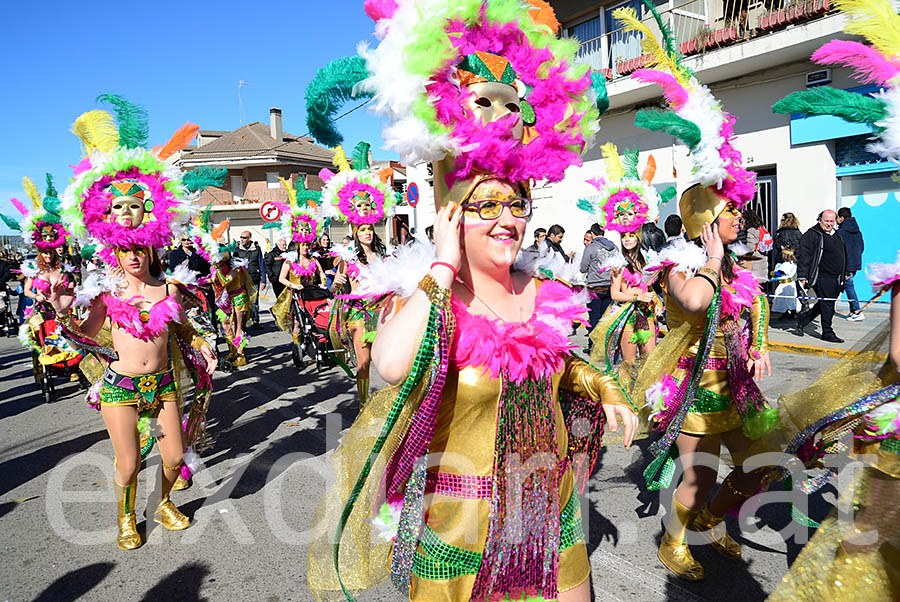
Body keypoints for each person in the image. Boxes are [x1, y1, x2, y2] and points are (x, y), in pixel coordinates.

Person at [305, 3, 615, 600]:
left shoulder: (545, 292)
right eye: (487, 205)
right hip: (460, 530)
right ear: (453, 211)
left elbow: (552, 370)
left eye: (516, 203)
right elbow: (392, 368)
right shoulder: (431, 297)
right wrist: (442, 266)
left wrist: (602, 386)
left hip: (550, 516)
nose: (508, 220)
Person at [619, 13, 776, 581]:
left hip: (737, 381)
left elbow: (750, 306)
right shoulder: (683, 263)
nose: (740, 214)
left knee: (761, 466)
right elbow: (690, 306)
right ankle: (676, 540)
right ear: (706, 218)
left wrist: (758, 344)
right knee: (697, 473)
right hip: (695, 385)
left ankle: (711, 521)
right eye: (730, 209)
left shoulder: (737, 266)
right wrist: (709, 258)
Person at [53, 97, 217, 550]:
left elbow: (183, 330)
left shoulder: (169, 290)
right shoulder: (107, 294)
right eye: (126, 250)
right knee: (127, 464)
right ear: (116, 250)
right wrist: (65, 310)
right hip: (121, 387)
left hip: (162, 385)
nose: (133, 256)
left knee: (173, 458)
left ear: (150, 248)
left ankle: (163, 502)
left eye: (140, 249)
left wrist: (202, 342)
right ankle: (127, 517)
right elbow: (82, 337)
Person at [320, 142, 395, 408]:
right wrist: (337, 283)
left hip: (384, 310)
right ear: (354, 231)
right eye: (361, 229)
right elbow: (338, 289)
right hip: (360, 313)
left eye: (369, 229)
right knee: (364, 362)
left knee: (389, 361)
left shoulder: (385, 256)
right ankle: (364, 405)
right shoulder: (348, 258)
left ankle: (390, 403)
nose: (366, 232)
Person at [796, 209, 848, 343]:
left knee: (826, 303)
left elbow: (843, 254)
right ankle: (827, 332)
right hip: (821, 276)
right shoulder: (812, 235)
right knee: (828, 304)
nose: (829, 224)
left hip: (837, 277)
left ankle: (803, 319)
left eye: (832, 221)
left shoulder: (837, 235)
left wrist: (845, 272)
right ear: (819, 220)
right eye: (826, 221)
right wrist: (802, 276)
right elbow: (804, 256)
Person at [580, 226, 617, 341]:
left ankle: (594, 347)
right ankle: (605, 347)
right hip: (610, 285)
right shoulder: (614, 247)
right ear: (604, 232)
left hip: (595, 286)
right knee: (606, 319)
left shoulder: (591, 247)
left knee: (594, 318)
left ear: (592, 233)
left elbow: (583, 268)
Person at [837, 206, 865, 321]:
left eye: (837, 218)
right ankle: (853, 311)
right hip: (855, 264)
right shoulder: (857, 231)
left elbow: (840, 251)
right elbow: (862, 247)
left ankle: (856, 311)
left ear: (841, 218)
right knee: (848, 286)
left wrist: (846, 268)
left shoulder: (841, 232)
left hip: (846, 265)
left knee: (849, 286)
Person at [235, 230, 266, 329]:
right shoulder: (237, 250)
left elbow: (261, 264)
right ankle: (243, 322)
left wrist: (263, 280)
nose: (242, 239)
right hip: (242, 280)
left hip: (254, 278)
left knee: (255, 301)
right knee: (243, 301)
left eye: (244, 237)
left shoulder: (256, 249)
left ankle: (256, 321)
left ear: (249, 238)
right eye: (241, 237)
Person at [741, 208, 771, 287]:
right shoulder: (762, 228)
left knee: (753, 288)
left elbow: (750, 248)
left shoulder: (751, 231)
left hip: (755, 263)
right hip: (762, 260)